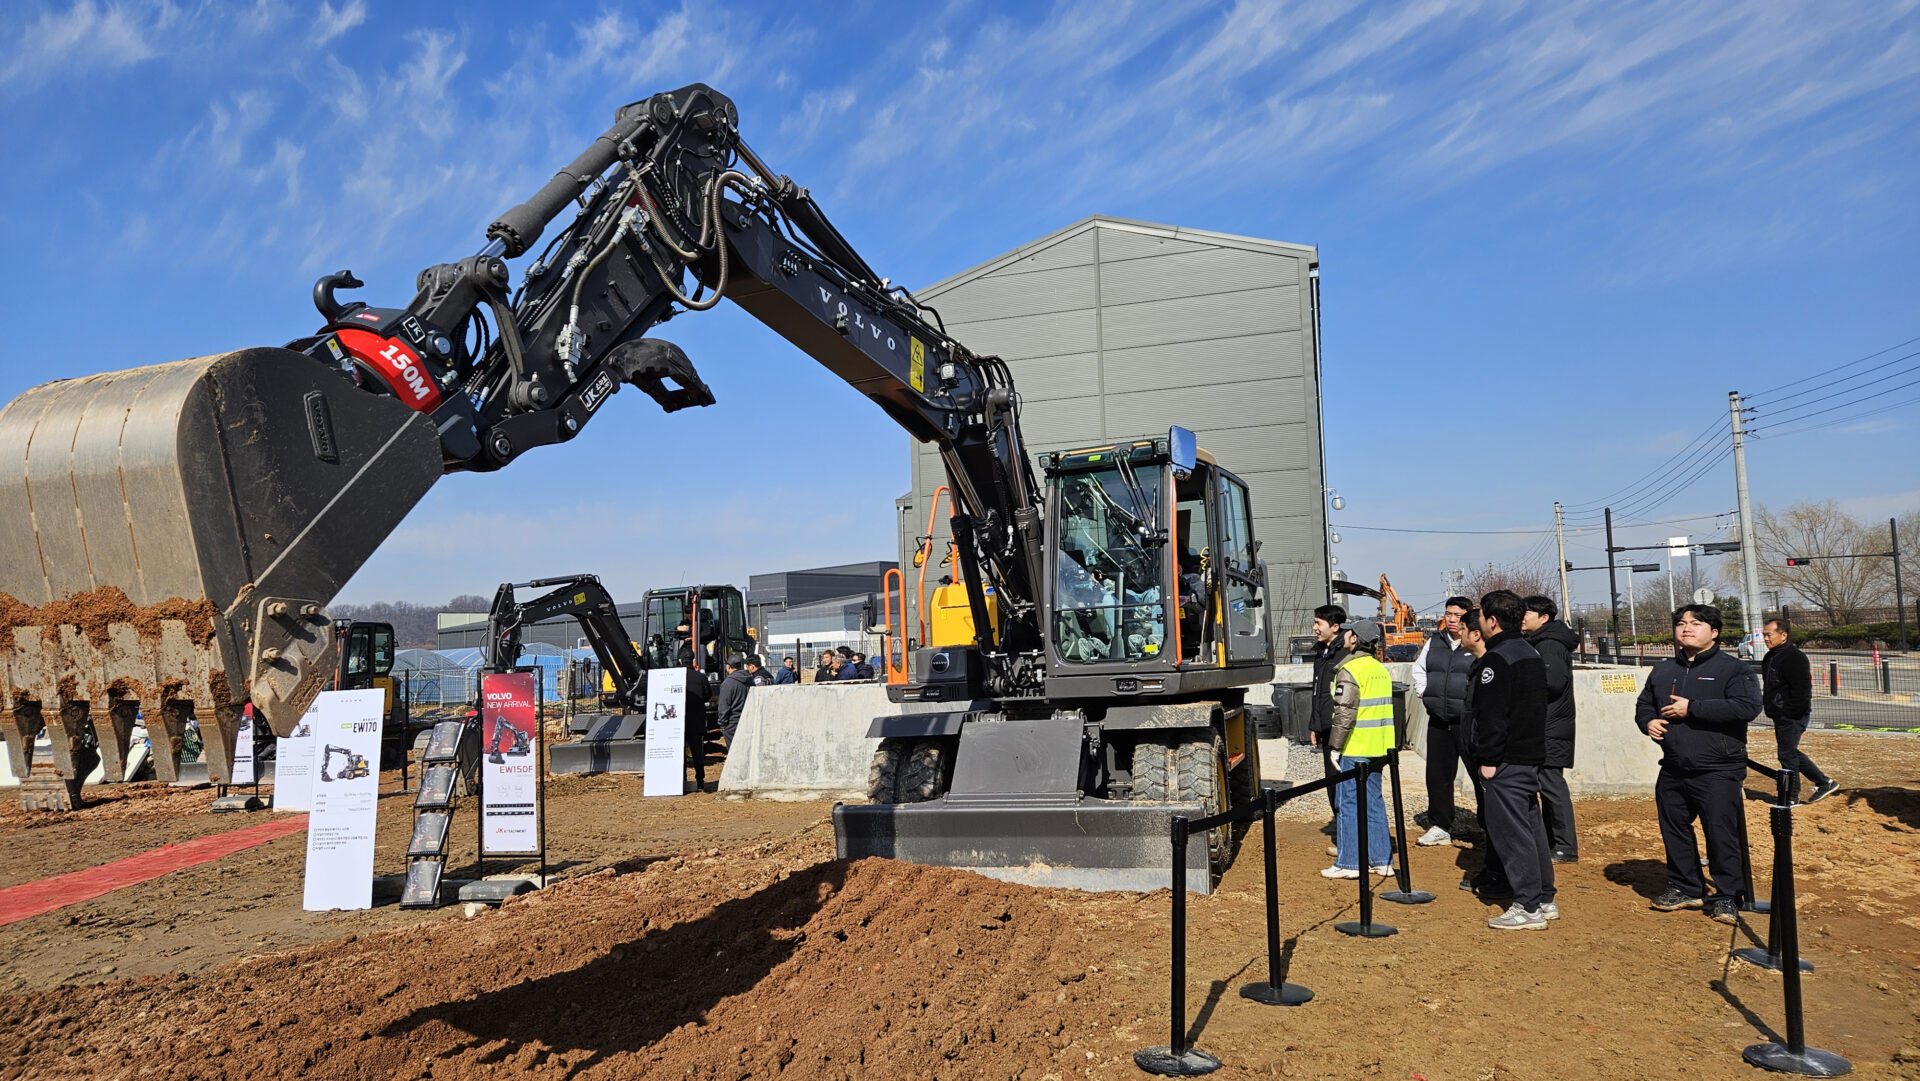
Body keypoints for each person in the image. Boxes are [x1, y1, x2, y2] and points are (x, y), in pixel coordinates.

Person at [1634, 604, 1763, 923]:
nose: (1686, 628)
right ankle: (1685, 887)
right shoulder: (1663, 670)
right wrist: (1648, 721)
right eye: (1681, 623)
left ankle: (1727, 895)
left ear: (1715, 632)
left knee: (1721, 833)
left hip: (1718, 768)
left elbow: (1747, 707)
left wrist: (1694, 708)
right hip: (1674, 766)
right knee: (1674, 829)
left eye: (1696, 623)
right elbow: (1644, 703)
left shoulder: (1733, 669)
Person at [1469, 590, 1557, 930]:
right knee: (1531, 828)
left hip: (1506, 759)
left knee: (1512, 833)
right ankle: (1544, 898)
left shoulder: (1498, 658)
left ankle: (1528, 906)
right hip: (1529, 754)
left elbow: (1493, 716)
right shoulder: (1530, 652)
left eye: (1480, 618)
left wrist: (1489, 758)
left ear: (1492, 621)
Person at [1320, 620, 1396, 880]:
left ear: (1356, 639)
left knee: (1348, 803)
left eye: (1348, 633)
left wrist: (1335, 746)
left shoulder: (1350, 669)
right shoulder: (1380, 669)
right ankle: (1381, 859)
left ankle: (1350, 862)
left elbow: (1344, 713)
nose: (1344, 635)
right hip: (1380, 746)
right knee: (1374, 802)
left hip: (1356, 746)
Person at [1411, 596, 1476, 846]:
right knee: (1438, 775)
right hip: (1438, 718)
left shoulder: (1477, 642)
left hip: (1467, 721)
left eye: (1457, 615)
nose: (1451, 619)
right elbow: (1419, 669)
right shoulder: (1435, 641)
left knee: (1479, 773)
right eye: (1448, 613)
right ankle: (1440, 825)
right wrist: (1425, 693)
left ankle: (1490, 824)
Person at [1522, 595, 1581, 862]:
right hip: (1546, 724)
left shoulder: (1550, 645)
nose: (1523, 617)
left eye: (1527, 613)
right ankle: (1552, 841)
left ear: (1543, 617)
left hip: (1551, 725)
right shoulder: (1541, 642)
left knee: (1551, 785)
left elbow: (1552, 683)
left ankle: (1565, 846)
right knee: (1546, 784)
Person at [1761, 619, 1837, 803]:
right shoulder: (1770, 656)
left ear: (1783, 635)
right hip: (1780, 714)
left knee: (1786, 754)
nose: (1765, 638)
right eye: (1763, 635)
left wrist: (1790, 712)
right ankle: (1823, 782)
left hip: (1792, 714)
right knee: (1789, 751)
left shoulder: (1794, 657)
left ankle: (1792, 796)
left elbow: (1802, 690)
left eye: (1768, 634)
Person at [1305, 603, 1348, 821]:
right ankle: (1342, 830)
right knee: (1332, 782)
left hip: (1341, 729)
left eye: (1318, 623)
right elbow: (1317, 693)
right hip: (1326, 728)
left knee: (1343, 783)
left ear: (1335, 627)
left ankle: (1349, 834)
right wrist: (1315, 726)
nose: (1315, 628)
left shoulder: (1346, 654)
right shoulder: (1321, 654)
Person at [714, 654, 756, 745]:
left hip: (733, 725)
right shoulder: (751, 680)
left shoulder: (728, 683)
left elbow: (724, 706)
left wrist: (722, 724)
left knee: (734, 755)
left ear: (728, 667)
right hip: (749, 722)